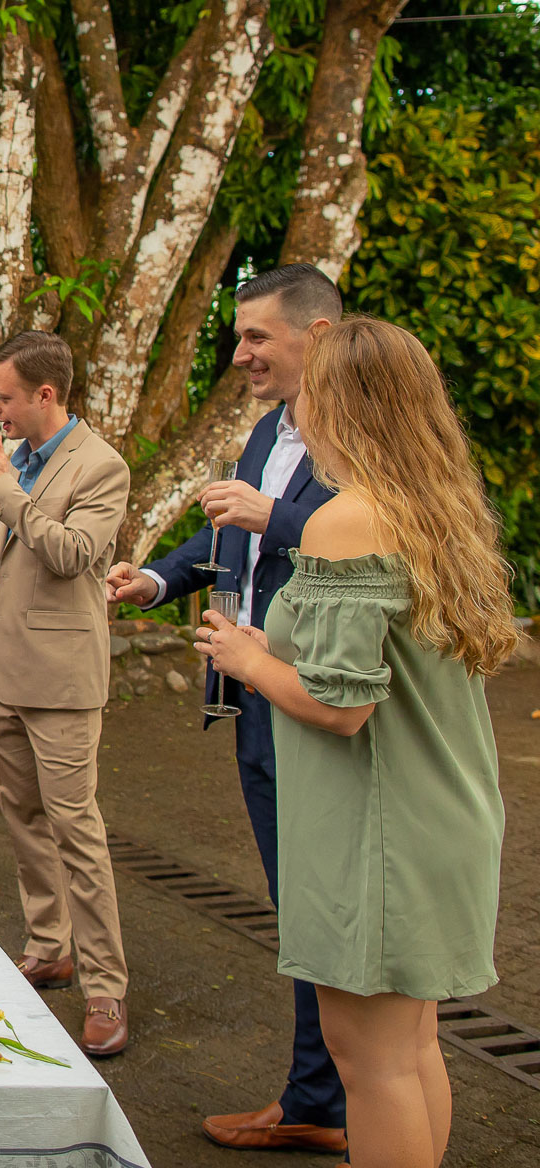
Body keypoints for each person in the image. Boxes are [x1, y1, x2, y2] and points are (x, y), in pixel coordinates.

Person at [195, 317, 516, 1168]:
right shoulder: (438, 511)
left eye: (313, 399)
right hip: (436, 815)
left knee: (370, 1063)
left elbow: (342, 706)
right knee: (410, 1052)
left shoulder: (348, 520)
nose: (300, 417)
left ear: (347, 407)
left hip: (380, 831)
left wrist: (244, 659)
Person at [107, 262, 346, 1150]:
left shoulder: (367, 434)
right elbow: (228, 533)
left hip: (323, 705)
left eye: (256, 338)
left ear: (317, 337)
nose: (239, 353)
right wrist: (160, 577)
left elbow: (378, 536)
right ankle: (320, 1099)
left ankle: (342, 1096)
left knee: (328, 911)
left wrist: (271, 517)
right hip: (255, 704)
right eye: (238, 336)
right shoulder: (264, 433)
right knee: (299, 908)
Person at [0, 329, 131, 1057]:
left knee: (77, 831)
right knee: (23, 821)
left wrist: (2, 493)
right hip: (3, 676)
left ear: (46, 394)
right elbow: (19, 556)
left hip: (62, 680)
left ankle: (106, 990)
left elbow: (73, 556)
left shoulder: (101, 466)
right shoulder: (25, 464)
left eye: (4, 397)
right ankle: (50, 947)